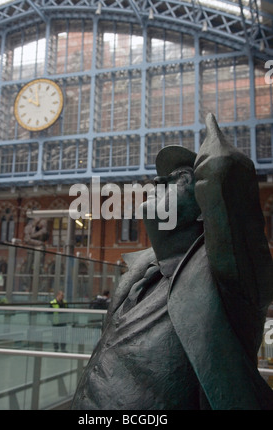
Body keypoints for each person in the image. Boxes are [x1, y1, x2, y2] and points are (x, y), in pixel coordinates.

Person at [72, 113, 273, 410]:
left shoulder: (225, 278)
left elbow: (224, 173)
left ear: (207, 207)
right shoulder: (139, 276)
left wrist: (217, 151)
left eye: (178, 180)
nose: (157, 180)